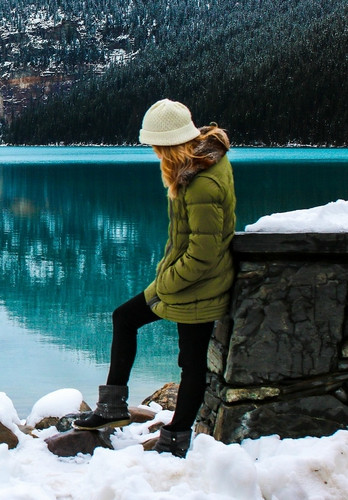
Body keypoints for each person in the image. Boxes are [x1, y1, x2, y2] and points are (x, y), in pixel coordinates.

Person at [73, 98, 236, 458]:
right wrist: (166, 278)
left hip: (200, 286)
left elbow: (203, 254)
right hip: (183, 281)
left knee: (191, 363)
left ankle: (176, 437)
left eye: (157, 146)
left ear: (171, 143)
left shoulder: (202, 184)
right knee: (124, 317)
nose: (154, 153)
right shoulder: (196, 166)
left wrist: (165, 283)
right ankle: (112, 407)